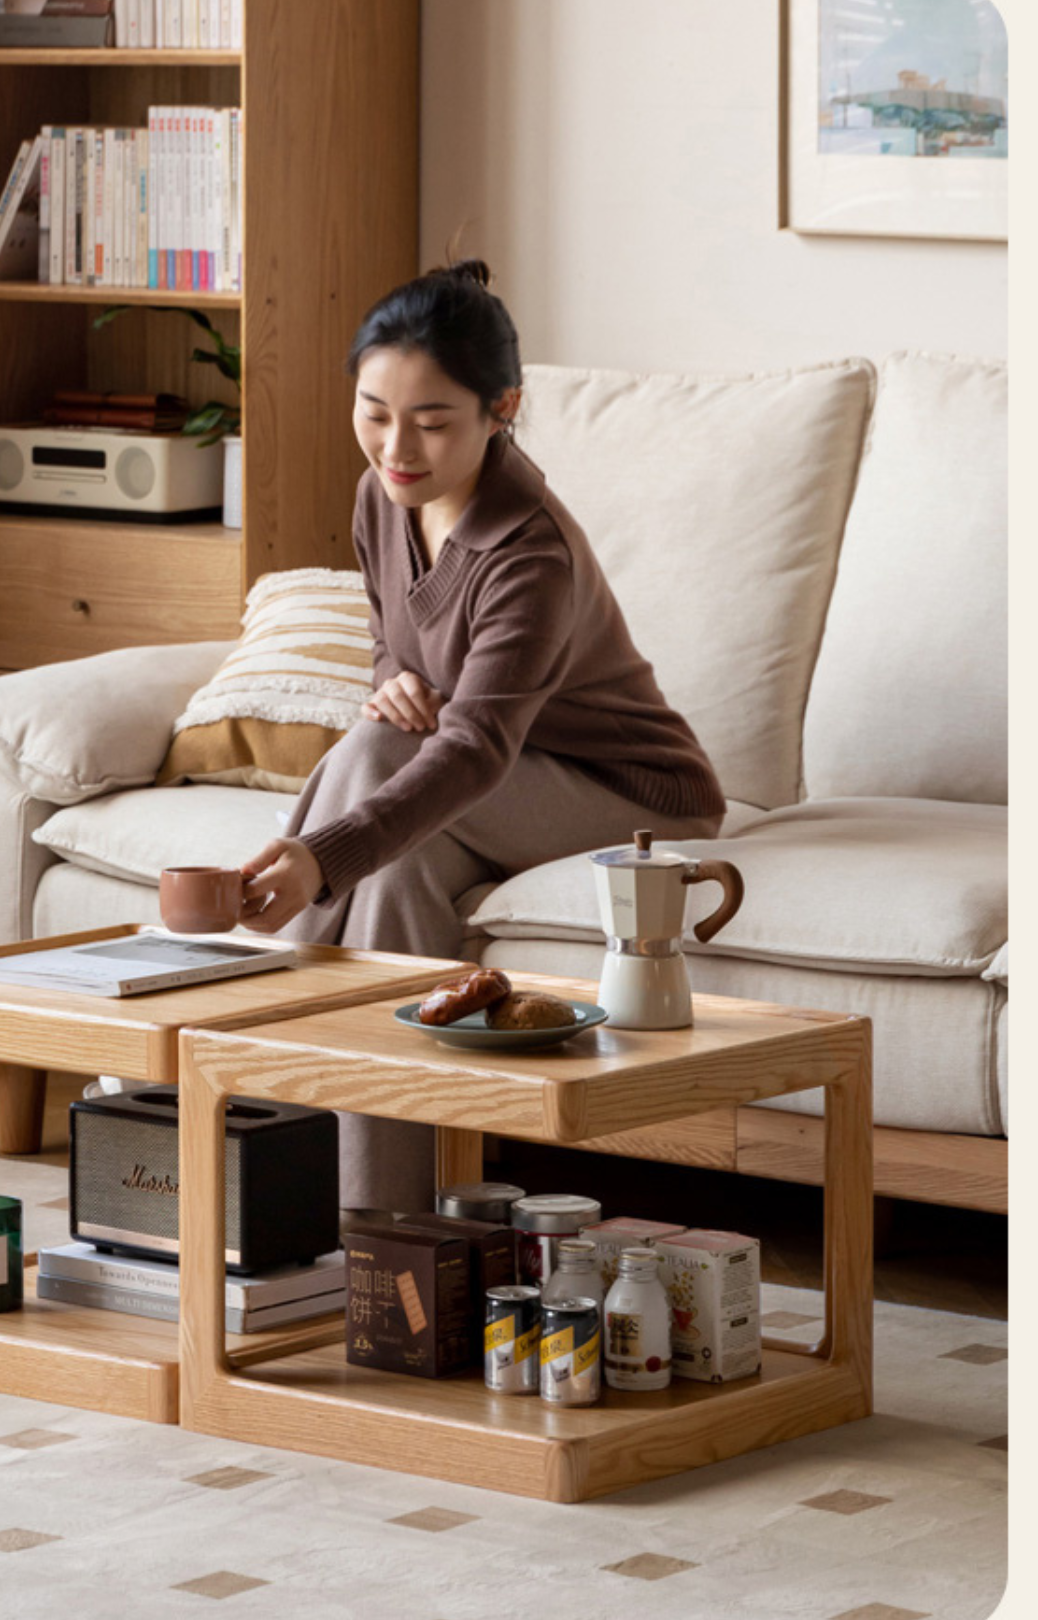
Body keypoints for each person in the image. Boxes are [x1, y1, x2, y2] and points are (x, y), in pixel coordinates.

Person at [238, 260, 726, 1215]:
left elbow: (473, 753)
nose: (396, 444)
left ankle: (261, 1110)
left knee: (376, 772)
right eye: (374, 411)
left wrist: (313, 856)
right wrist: (395, 684)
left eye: (431, 420)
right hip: (488, 771)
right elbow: (389, 640)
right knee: (403, 870)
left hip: (628, 791)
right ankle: (383, 1221)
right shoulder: (381, 495)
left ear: (501, 407)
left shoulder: (528, 550)